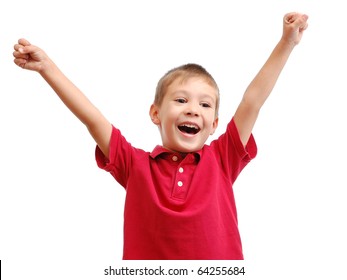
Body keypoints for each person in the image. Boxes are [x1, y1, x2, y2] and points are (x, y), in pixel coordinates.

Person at [13, 12, 308, 260]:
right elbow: (92, 118)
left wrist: (286, 43)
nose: (193, 110)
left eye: (204, 104)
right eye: (181, 100)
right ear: (155, 113)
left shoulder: (222, 158)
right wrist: (47, 68)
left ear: (215, 123)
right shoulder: (134, 164)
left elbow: (252, 101)